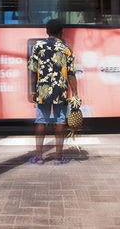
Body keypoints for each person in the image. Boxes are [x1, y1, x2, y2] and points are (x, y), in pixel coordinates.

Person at [28, 19, 78, 165]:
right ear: (61, 32)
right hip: (60, 91)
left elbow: (33, 71)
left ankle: (39, 157)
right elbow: (71, 74)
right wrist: (75, 93)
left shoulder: (38, 47)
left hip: (42, 90)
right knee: (60, 120)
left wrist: (32, 91)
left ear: (47, 31)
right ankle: (58, 157)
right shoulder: (66, 49)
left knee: (41, 121)